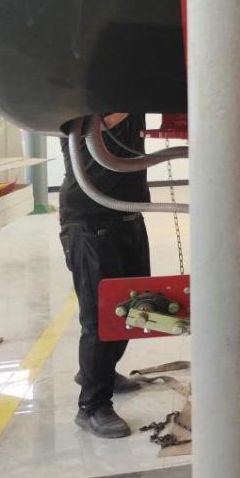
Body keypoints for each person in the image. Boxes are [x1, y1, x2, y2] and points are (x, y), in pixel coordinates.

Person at [58, 112, 152, 439]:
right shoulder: (78, 107)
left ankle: (101, 372)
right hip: (90, 224)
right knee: (100, 320)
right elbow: (110, 119)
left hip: (129, 217)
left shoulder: (130, 102)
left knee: (133, 310)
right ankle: (92, 406)